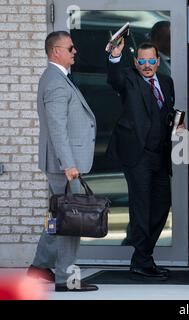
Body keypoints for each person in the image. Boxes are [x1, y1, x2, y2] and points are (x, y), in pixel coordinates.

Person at [27, 31, 98, 292]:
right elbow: (57, 127)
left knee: (57, 216)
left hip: (59, 163)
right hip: (63, 165)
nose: (75, 51)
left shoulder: (56, 77)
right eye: (70, 48)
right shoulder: (56, 81)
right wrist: (68, 164)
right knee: (71, 219)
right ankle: (66, 278)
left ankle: (39, 267)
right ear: (56, 51)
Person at [106, 39, 181, 278]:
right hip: (136, 154)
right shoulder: (128, 78)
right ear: (135, 62)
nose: (147, 65)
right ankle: (142, 260)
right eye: (142, 61)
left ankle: (143, 256)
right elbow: (114, 80)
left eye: (151, 61)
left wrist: (177, 125)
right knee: (141, 207)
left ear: (158, 62)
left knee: (161, 205)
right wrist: (114, 57)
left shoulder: (167, 82)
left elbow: (166, 111)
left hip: (160, 155)